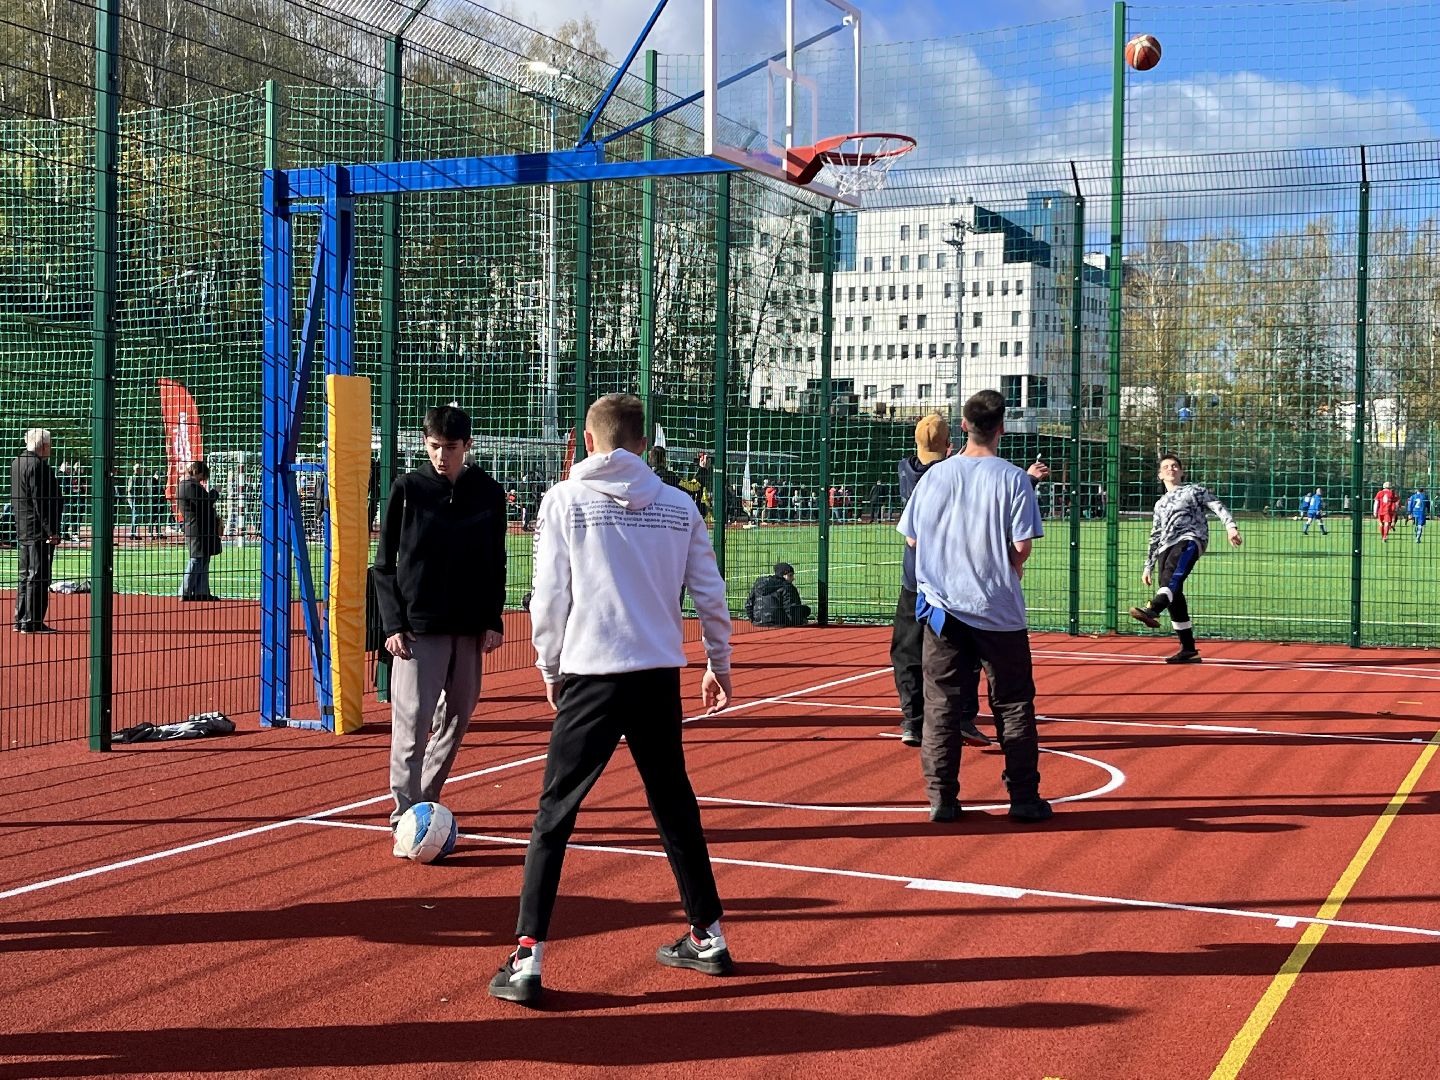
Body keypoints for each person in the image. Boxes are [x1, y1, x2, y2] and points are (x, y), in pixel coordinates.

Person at [490, 393, 734, 1006]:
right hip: (656, 676)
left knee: (554, 816)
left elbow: (547, 598)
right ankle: (709, 934)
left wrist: (548, 665)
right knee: (674, 806)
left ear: (587, 440)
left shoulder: (564, 501)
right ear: (646, 443)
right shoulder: (679, 506)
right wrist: (718, 663)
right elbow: (710, 590)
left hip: (592, 675)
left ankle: (527, 959)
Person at [897, 391, 1050, 825]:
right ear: (1001, 427)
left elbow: (911, 538)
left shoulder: (934, 477)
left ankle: (942, 799)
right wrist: (998, 561)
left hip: (943, 610)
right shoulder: (1014, 479)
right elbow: (1021, 548)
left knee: (942, 703)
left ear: (963, 426)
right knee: (1013, 702)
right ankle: (1022, 798)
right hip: (998, 610)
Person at [372, 405, 507, 848]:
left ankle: (425, 803)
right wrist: (391, 624)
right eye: (434, 447)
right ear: (424, 444)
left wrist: (492, 618)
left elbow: (496, 562)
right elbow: (384, 565)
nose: (442, 456)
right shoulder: (407, 489)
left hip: (470, 627)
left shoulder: (489, 493)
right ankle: (403, 816)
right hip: (416, 630)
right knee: (411, 726)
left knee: (458, 717)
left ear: (467, 446)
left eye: (451, 448)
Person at [1128, 453, 1243, 663]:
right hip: (1165, 547)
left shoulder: (1193, 490)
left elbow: (1217, 505)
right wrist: (1148, 566)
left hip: (1191, 539)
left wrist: (1230, 526)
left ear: (1181, 472)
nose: (1170, 469)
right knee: (1174, 593)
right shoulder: (1159, 504)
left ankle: (1153, 609)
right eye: (1166, 467)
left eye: (1174, 466)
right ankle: (1188, 649)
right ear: (1160, 475)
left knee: (1173, 579)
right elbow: (1155, 535)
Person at [10, 428, 63, 634]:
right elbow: (42, 502)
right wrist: (52, 531)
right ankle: (33, 621)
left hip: (23, 526)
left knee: (25, 574)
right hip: (38, 529)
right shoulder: (39, 466)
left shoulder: (17, 463)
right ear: (43, 445)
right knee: (39, 576)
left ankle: (20, 618)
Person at [176, 460, 222, 601]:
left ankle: (201, 592)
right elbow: (204, 503)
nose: (202, 480)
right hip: (197, 528)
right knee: (196, 559)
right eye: (202, 476)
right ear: (196, 472)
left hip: (198, 527)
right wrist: (215, 492)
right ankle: (185, 590)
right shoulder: (189, 486)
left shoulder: (185, 485)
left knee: (203, 559)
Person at [745, 561, 811, 627]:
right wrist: (797, 622)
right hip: (779, 623)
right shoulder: (787, 587)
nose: (793, 578)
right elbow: (791, 608)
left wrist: (752, 619)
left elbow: (749, 604)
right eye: (790, 575)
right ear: (783, 575)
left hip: (757, 622)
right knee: (806, 610)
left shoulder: (758, 584)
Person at [126, 463, 145, 540]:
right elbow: (130, 489)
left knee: (136, 515)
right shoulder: (133, 478)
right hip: (133, 498)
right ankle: (132, 533)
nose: (140, 470)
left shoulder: (139, 478)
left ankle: (133, 532)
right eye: (139, 469)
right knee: (136, 515)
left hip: (136, 498)